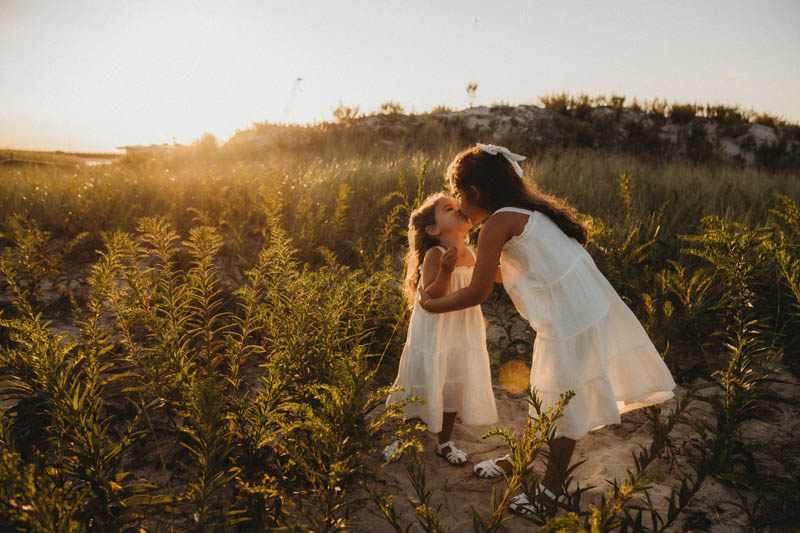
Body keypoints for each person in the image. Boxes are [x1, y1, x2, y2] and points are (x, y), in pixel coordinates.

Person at [418, 144, 676, 513]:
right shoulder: (528, 212)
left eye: (459, 196)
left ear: (475, 193)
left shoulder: (496, 225)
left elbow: (478, 292)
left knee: (560, 408)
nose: (459, 205)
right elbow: (509, 273)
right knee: (548, 396)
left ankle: (551, 491)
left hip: (570, 323)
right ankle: (519, 459)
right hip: (587, 309)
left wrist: (431, 304)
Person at [384, 192, 498, 466]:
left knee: (453, 382)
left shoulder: (473, 254)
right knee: (421, 380)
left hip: (462, 329)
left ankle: (445, 441)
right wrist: (447, 270)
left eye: (459, 206)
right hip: (434, 331)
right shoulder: (435, 255)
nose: (459, 209)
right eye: (449, 208)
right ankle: (402, 435)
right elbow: (432, 296)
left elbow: (488, 281)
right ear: (433, 229)